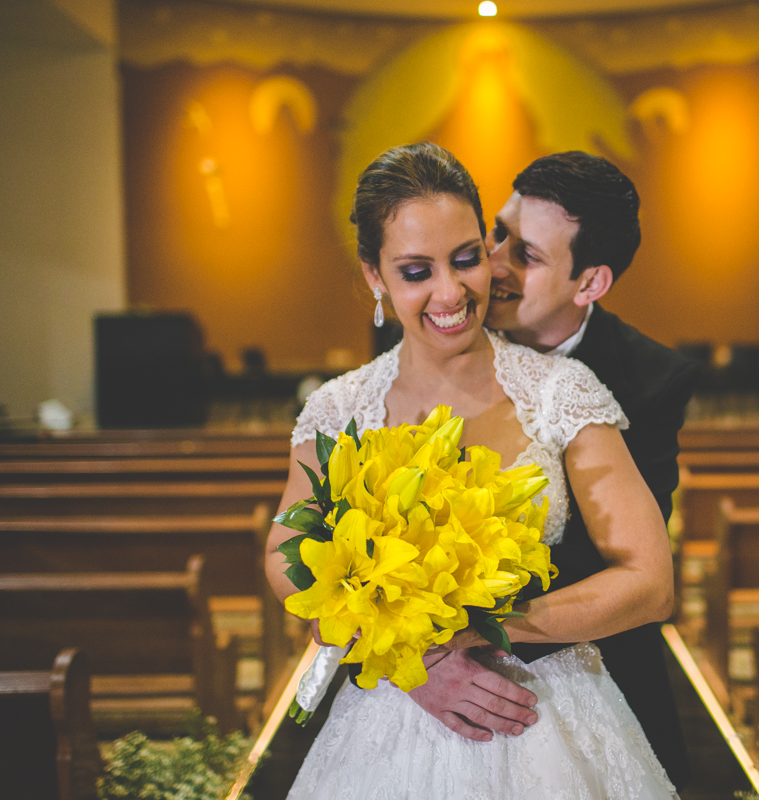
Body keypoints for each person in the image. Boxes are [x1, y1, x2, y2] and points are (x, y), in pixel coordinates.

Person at [266, 142, 679, 799]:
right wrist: (413, 663)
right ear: (374, 276)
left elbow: (651, 582)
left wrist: (472, 633)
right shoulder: (338, 407)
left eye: (465, 259)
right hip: (389, 727)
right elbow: (288, 557)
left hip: (546, 714)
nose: (450, 291)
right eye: (415, 270)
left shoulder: (562, 392)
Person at [406, 152, 697, 788]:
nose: (494, 265)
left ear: (590, 283)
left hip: (583, 666)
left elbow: (620, 567)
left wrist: (472, 635)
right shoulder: (429, 325)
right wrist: (414, 654)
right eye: (498, 233)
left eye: (527, 256)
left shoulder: (647, 380)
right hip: (419, 677)